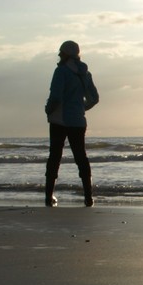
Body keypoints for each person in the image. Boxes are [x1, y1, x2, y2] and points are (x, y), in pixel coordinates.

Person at [44, 40, 99, 206]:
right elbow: (94, 98)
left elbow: (56, 96)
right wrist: (81, 108)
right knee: (81, 157)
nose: (59, 55)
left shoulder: (61, 71)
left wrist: (48, 110)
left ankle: (48, 196)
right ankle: (88, 197)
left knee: (54, 157)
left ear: (66, 54)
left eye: (61, 52)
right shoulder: (85, 74)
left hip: (59, 120)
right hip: (78, 121)